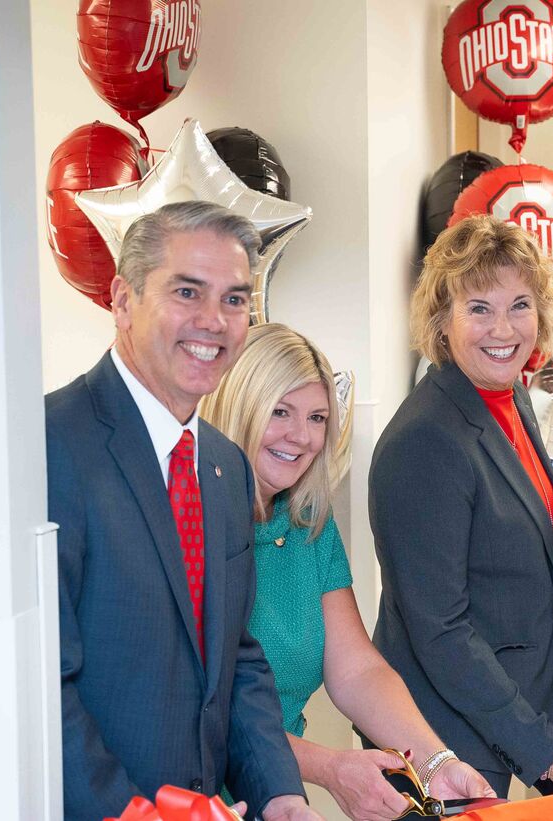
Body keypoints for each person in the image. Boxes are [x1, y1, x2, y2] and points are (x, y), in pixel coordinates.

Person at [47, 201, 317, 820]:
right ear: (122, 300)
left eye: (234, 299)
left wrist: (279, 792)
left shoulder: (225, 466)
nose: (213, 322)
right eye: (187, 292)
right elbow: (41, 687)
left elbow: (235, 656)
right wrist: (132, 813)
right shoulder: (51, 444)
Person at [200, 324, 496, 820]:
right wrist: (331, 768)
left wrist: (434, 763)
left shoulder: (307, 521)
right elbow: (209, 707)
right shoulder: (190, 524)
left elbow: (356, 668)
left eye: (317, 417)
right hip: (194, 793)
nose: (302, 437)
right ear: (238, 407)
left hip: (276, 797)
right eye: (280, 412)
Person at [368, 215, 553, 798]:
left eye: (520, 305)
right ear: (441, 320)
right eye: (478, 308)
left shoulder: (508, 398)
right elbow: (441, 632)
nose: (503, 328)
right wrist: (543, 747)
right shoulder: (425, 442)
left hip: (509, 710)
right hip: (446, 740)